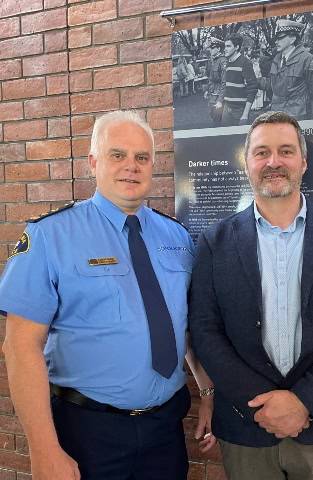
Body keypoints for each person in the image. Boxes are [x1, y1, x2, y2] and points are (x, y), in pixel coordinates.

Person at [0, 110, 216, 479]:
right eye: (118, 155)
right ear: (93, 162)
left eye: (142, 157)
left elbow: (185, 325)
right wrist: (44, 449)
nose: (131, 167)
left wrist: (207, 389)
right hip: (86, 431)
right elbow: (20, 347)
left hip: (165, 428)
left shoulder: (176, 237)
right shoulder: (50, 236)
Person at [188, 111, 313, 480]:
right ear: (247, 164)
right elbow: (206, 330)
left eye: (285, 151)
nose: (273, 162)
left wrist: (304, 402)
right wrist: (264, 405)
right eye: (262, 152)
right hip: (246, 429)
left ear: (303, 163)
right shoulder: (216, 241)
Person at [265, 20, 313, 119]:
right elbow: (273, 86)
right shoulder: (277, 59)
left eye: (280, 38)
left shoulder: (307, 59)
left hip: (297, 117)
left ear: (292, 39)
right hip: (276, 116)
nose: (276, 41)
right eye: (276, 38)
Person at [221, 35, 259, 126]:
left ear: (237, 47)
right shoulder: (228, 62)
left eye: (228, 46)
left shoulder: (245, 63)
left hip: (239, 110)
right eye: (225, 46)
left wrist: (245, 115)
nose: (225, 49)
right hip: (226, 107)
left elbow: (253, 88)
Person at [204, 37, 227, 127]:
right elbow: (211, 78)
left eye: (213, 48)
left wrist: (220, 100)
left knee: (217, 118)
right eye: (210, 48)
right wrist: (207, 90)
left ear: (218, 49)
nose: (210, 50)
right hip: (213, 92)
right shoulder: (214, 60)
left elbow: (224, 82)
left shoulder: (223, 61)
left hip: (219, 94)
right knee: (212, 114)